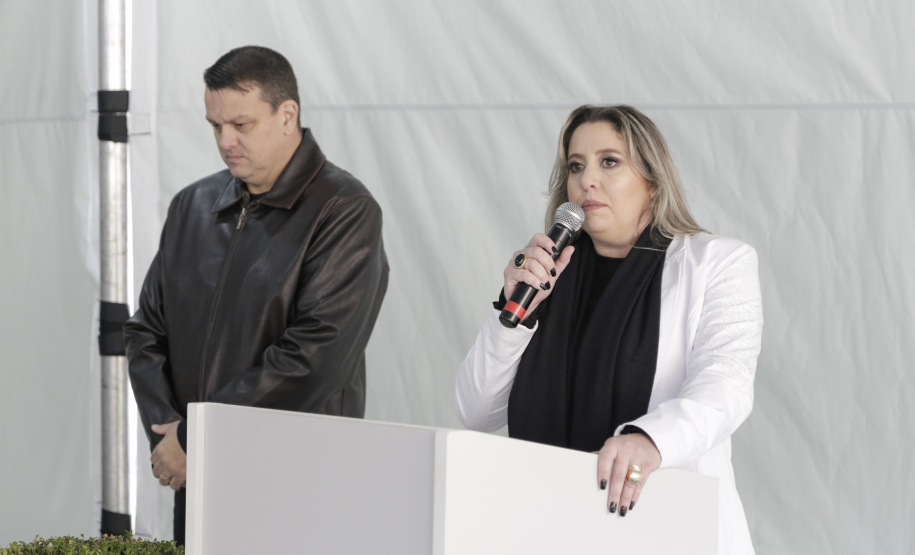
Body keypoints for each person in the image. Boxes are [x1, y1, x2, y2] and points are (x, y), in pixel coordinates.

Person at [455, 105, 762, 554]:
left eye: (609, 161)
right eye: (575, 166)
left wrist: (650, 439)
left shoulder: (718, 264)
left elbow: (726, 383)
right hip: (547, 528)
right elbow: (475, 412)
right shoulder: (547, 273)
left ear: (653, 181)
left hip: (665, 528)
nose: (586, 180)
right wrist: (515, 309)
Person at [124, 45, 389, 545]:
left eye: (241, 125)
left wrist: (199, 439)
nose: (225, 142)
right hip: (200, 479)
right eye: (214, 126)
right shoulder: (192, 206)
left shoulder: (345, 210)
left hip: (298, 485)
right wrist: (169, 435)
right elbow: (146, 332)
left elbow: (315, 354)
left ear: (287, 115)